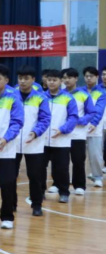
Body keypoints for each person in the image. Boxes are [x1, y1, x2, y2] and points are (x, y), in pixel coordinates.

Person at [0, 65, 24, 230]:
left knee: (7, 183)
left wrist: (7, 138)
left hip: (6, 148)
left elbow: (17, 122)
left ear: (6, 80)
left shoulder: (14, 98)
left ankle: (7, 216)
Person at [15, 66, 51, 217]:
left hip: (34, 142)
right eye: (20, 78)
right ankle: (11, 204)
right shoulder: (10, 96)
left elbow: (45, 119)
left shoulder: (40, 97)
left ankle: (37, 204)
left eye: (26, 78)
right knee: (10, 177)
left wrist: (35, 132)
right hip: (12, 142)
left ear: (33, 80)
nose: (22, 81)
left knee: (35, 176)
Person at [42, 69, 79, 203]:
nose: (51, 82)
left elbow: (73, 117)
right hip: (41, 140)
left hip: (61, 140)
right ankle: (40, 192)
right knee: (39, 168)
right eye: (49, 80)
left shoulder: (68, 98)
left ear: (60, 81)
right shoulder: (41, 97)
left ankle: (64, 192)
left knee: (62, 168)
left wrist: (63, 129)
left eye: (54, 80)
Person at [63, 68, 95, 196]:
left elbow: (91, 112)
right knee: (61, 162)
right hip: (62, 134)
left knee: (78, 160)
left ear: (76, 78)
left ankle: (79, 185)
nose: (67, 80)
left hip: (78, 134)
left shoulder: (84, 94)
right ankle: (60, 185)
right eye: (64, 78)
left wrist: (78, 121)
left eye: (69, 77)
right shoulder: (60, 94)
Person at [84, 66, 106, 188]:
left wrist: (94, 123)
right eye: (86, 76)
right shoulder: (80, 91)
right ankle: (76, 176)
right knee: (77, 155)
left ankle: (98, 176)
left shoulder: (100, 92)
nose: (88, 78)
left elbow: (99, 110)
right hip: (79, 127)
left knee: (96, 154)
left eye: (91, 76)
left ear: (96, 77)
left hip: (95, 126)